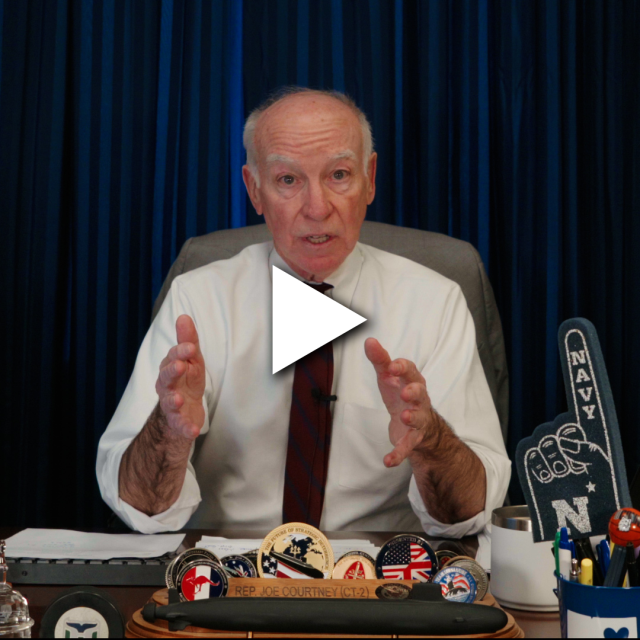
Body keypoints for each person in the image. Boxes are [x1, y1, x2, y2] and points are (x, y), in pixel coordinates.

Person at [97, 87, 511, 535]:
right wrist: (170, 432)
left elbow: (469, 513)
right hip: (231, 567)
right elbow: (138, 507)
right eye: (288, 180)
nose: (317, 208)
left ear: (370, 179)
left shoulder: (435, 302)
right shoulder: (197, 299)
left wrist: (431, 439)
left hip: (377, 569)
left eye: (339, 175)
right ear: (254, 190)